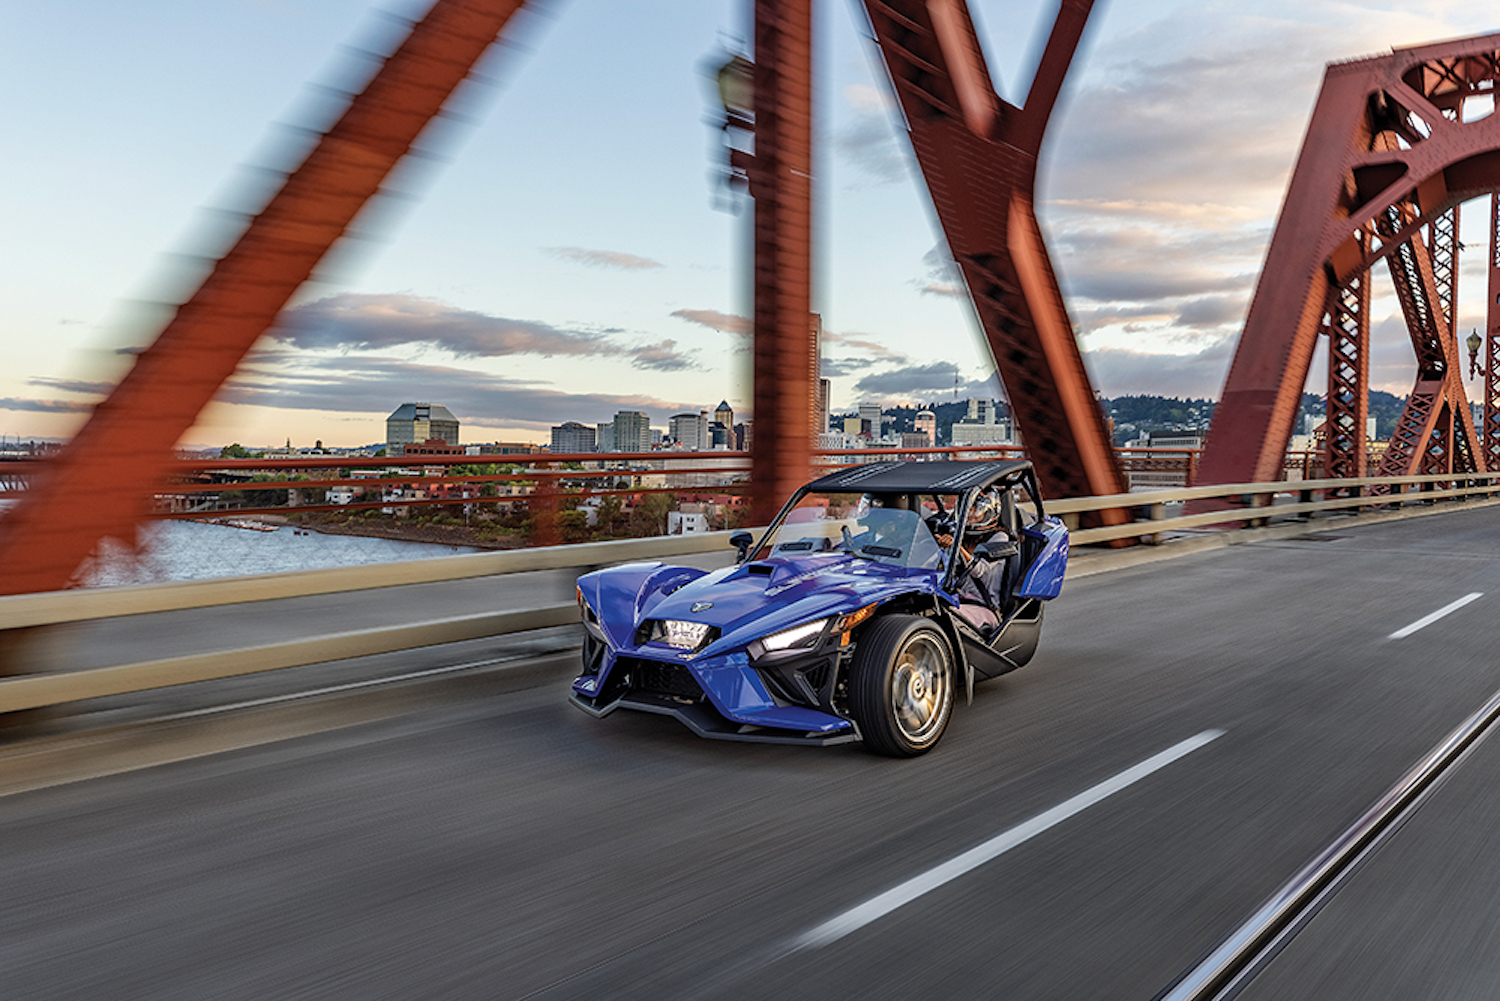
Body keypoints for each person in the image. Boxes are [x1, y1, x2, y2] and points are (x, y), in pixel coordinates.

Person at [930, 488, 1012, 633]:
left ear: (988, 512)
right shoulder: (960, 536)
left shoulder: (999, 538)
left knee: (943, 619)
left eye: (975, 509)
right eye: (966, 509)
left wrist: (956, 547)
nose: (969, 514)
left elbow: (980, 570)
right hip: (956, 601)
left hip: (984, 607)